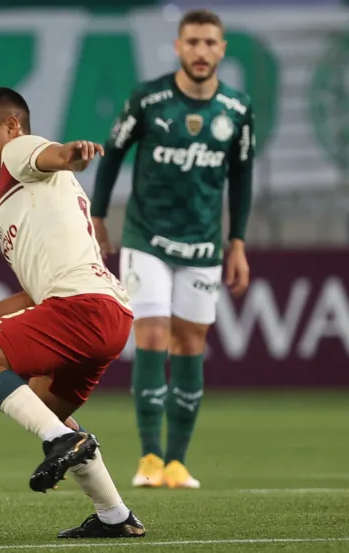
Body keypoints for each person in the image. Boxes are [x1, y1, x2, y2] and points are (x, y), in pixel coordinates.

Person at [0, 86, 145, 539]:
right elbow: (34, 293)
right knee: (43, 406)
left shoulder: (18, 152)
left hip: (80, 309)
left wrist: (71, 154)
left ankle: (62, 441)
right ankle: (115, 516)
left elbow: (49, 153)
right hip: (108, 315)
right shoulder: (25, 193)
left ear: (10, 126)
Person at [90, 8, 254, 490]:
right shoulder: (149, 99)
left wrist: (237, 243)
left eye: (210, 43)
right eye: (193, 42)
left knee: (190, 343)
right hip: (147, 237)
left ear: (222, 49)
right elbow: (113, 152)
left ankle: (178, 462)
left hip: (203, 243)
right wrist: (99, 216)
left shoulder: (238, 109)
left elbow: (242, 178)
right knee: (153, 333)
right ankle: (149, 457)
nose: (201, 51)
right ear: (179, 47)